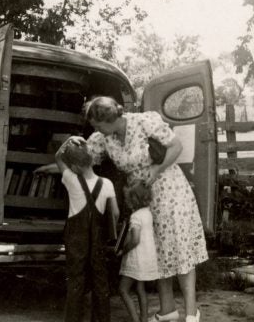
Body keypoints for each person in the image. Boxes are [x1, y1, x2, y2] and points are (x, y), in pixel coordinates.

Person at [81, 96, 208, 322]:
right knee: (157, 252)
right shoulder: (104, 138)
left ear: (110, 118)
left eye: (98, 124)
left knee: (180, 248)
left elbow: (176, 146)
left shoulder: (144, 122)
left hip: (169, 190)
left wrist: (157, 169)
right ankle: (167, 310)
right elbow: (83, 159)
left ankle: (191, 313)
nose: (95, 129)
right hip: (142, 199)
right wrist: (59, 163)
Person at [38, 136, 119, 322]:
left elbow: (58, 158)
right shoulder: (107, 184)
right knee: (100, 282)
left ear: (74, 167)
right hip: (97, 239)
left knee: (75, 282)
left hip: (76, 238)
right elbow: (115, 213)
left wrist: (69, 140)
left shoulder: (71, 179)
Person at [117, 180, 159, 322]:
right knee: (140, 289)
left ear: (135, 199)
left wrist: (123, 250)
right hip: (147, 258)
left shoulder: (135, 216)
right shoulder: (148, 213)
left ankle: (135, 320)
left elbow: (135, 239)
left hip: (136, 259)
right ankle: (143, 319)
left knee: (123, 289)